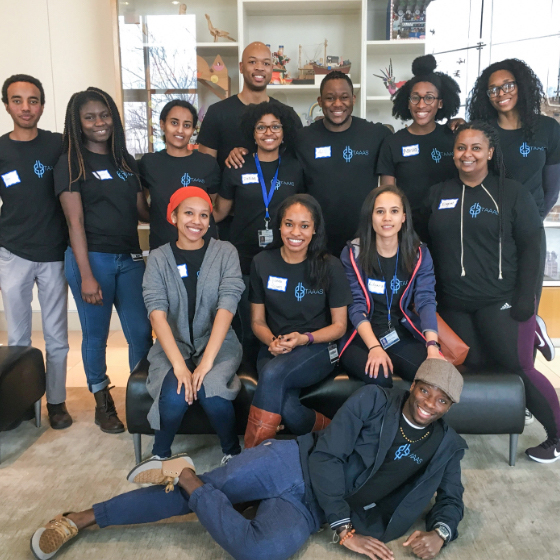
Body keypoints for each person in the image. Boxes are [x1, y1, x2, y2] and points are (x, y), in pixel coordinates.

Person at [31, 360, 466, 560]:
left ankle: (187, 478)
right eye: (425, 390)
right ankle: (83, 518)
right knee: (200, 494)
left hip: (308, 509)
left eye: (442, 399)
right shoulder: (374, 399)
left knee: (260, 550)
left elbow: (452, 498)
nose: (429, 402)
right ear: (413, 387)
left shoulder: (447, 446)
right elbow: (330, 456)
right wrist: (344, 529)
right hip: (294, 463)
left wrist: (442, 533)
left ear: (450, 407)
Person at [424, 121, 560, 463]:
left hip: (501, 302)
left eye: (475, 148)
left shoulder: (512, 193)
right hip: (455, 304)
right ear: (452, 153)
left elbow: (533, 246)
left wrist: (526, 302)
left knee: (518, 367)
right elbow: (411, 232)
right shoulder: (439, 193)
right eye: (460, 148)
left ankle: (557, 435)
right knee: (475, 364)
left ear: (490, 152)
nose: (467, 154)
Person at [53, 87, 153, 434]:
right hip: (91, 259)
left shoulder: (125, 160)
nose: (100, 122)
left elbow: (143, 211)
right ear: (78, 123)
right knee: (96, 337)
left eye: (105, 114)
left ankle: (142, 396)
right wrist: (86, 275)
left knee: (141, 333)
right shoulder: (71, 162)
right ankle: (102, 401)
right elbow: (74, 222)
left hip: (129, 259)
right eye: (90, 117)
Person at [142, 186, 244, 464]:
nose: (196, 222)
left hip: (218, 342)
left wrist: (206, 361)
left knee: (211, 390)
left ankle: (231, 452)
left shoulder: (225, 252)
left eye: (203, 215)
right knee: (175, 395)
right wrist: (178, 365)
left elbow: (227, 305)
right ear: (173, 216)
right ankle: (160, 456)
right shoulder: (159, 258)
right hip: (172, 344)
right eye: (188, 213)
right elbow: (156, 313)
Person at [467, 58, 560, 362]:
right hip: (490, 234)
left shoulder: (547, 129)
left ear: (521, 85)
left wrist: (530, 223)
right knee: (496, 310)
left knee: (524, 305)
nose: (501, 93)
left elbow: (551, 188)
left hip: (529, 234)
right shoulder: (483, 131)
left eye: (507, 85)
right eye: (493, 89)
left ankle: (524, 378)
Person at [246, 194, 352, 447]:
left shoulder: (330, 266)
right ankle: (330, 435)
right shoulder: (262, 262)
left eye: (304, 226)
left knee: (272, 374)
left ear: (315, 229)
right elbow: (257, 321)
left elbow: (340, 327)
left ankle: (252, 456)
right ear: (279, 226)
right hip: (274, 348)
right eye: (289, 224)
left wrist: (305, 338)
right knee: (288, 407)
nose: (296, 232)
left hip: (318, 348)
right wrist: (272, 341)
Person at [0, 74, 71, 429]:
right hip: (13, 252)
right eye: (17, 100)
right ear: (7, 104)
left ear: (42, 104)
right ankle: (23, 400)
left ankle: (56, 402)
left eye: (33, 100)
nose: (26, 107)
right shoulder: (0, 149)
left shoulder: (58, 145)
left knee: (57, 334)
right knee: (18, 337)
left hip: (54, 252)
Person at [213, 102, 304, 349]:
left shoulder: (295, 167)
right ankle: (247, 378)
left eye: (275, 126)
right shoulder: (237, 164)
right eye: (261, 127)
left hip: (282, 259)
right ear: (252, 132)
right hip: (242, 260)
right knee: (245, 327)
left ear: (284, 132)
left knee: (276, 323)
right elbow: (219, 212)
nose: (268, 132)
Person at [339, 185, 443, 388]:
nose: (387, 218)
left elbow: (426, 300)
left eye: (394, 211)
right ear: (370, 217)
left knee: (433, 376)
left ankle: (408, 420)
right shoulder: (353, 253)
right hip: (360, 337)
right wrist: (374, 347)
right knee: (379, 376)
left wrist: (432, 345)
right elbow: (356, 306)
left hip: (399, 333)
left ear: (404, 217)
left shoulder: (419, 254)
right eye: (380, 212)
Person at [295, 71, 392, 255]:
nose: (337, 104)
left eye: (344, 97)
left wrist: (452, 126)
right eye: (330, 98)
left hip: (365, 240)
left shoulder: (376, 135)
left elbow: (406, 142)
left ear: (353, 99)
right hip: (316, 241)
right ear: (320, 100)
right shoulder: (302, 138)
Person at [378, 55, 460, 240]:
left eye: (429, 98)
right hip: (408, 234)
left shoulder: (454, 138)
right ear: (407, 102)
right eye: (415, 98)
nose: (421, 104)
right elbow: (388, 196)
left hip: (451, 228)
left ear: (440, 103)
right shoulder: (393, 143)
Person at [198, 42, 301, 170]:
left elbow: (297, 164)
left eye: (266, 63)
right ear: (241, 67)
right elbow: (203, 170)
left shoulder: (287, 115)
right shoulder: (217, 113)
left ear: (272, 68)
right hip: (227, 189)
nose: (259, 67)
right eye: (252, 62)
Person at [139, 100, 220, 249]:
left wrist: (198, 225)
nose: (180, 130)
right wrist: (160, 219)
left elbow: (216, 209)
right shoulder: (149, 163)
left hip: (203, 249)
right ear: (162, 124)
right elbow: (141, 207)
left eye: (187, 125)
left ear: (194, 129)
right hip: (163, 248)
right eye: (174, 123)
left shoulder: (207, 163)